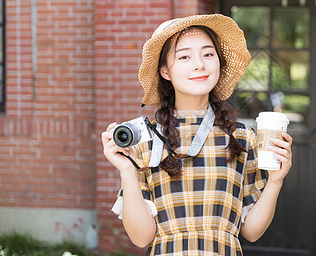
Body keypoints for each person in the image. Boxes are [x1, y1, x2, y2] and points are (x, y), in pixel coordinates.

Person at [101, 14, 293, 255]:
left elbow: (251, 232)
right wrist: (127, 170)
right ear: (165, 72)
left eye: (208, 54)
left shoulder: (242, 137)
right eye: (184, 57)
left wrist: (276, 181)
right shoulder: (146, 138)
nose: (199, 64)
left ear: (219, 62)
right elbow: (141, 238)